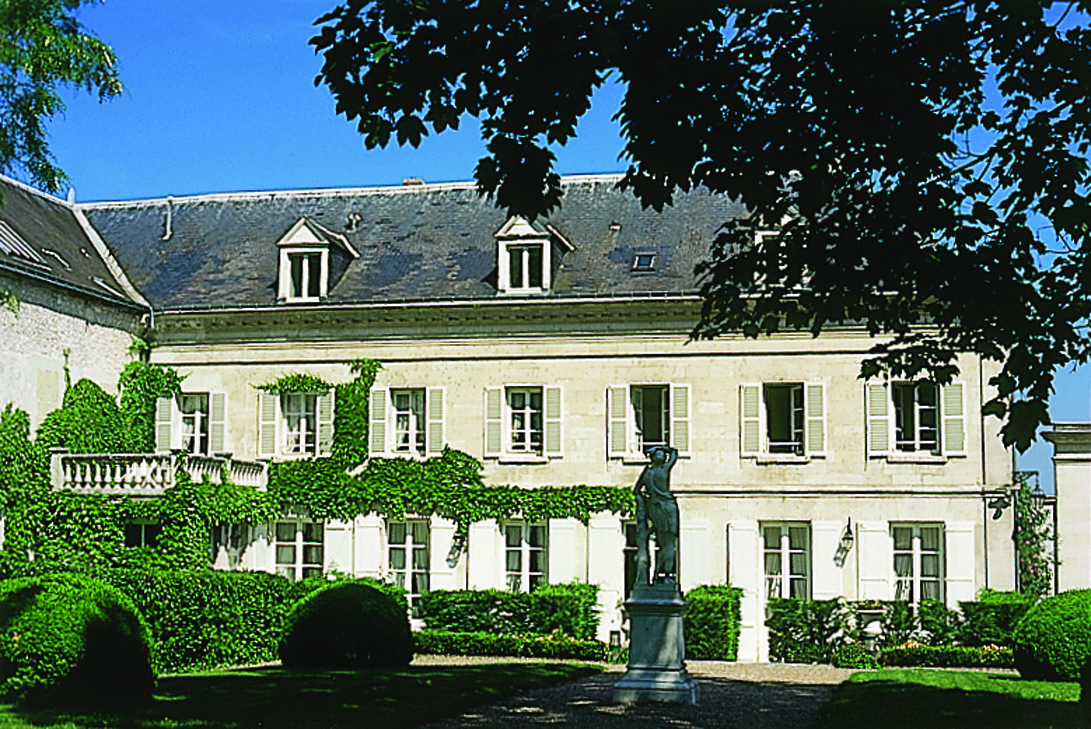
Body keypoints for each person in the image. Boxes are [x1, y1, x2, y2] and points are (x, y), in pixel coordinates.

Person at [633, 445, 679, 585]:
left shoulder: (647, 472)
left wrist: (645, 502)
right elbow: (674, 453)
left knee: (663, 543)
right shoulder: (664, 469)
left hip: (655, 507)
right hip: (668, 507)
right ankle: (666, 575)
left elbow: (636, 491)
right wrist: (660, 447)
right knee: (669, 544)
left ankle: (660, 575)